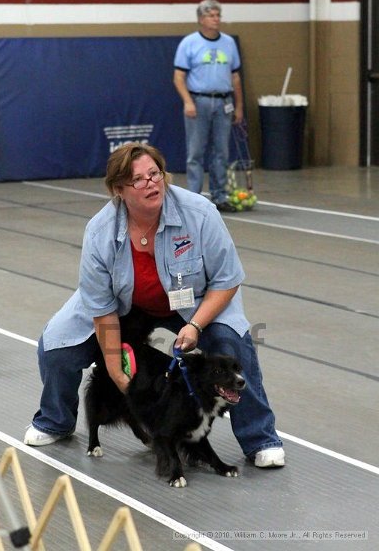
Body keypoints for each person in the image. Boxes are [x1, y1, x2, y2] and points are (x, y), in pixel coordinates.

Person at [24, 142, 284, 468]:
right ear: (119, 189)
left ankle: (260, 438)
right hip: (121, 306)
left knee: (232, 342)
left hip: (195, 305)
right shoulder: (100, 232)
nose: (151, 183)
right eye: (139, 179)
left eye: (155, 173)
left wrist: (196, 325)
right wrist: (116, 370)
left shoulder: (200, 213)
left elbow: (228, 279)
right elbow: (102, 308)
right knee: (55, 348)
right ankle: (56, 420)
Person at [173, 0, 244, 213]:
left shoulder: (229, 43)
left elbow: (236, 77)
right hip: (199, 101)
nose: (216, 19)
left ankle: (219, 195)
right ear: (201, 19)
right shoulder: (189, 43)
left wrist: (238, 106)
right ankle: (194, 198)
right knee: (196, 151)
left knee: (221, 151)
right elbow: (178, 77)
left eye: (218, 15)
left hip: (223, 101)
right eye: (211, 15)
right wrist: (187, 101)